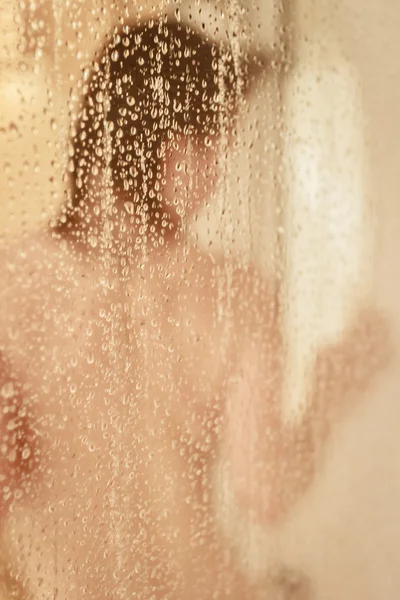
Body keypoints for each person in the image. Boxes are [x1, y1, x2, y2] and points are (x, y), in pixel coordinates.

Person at [0, 17, 391, 600]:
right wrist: (337, 378)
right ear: (170, 148)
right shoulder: (231, 292)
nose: (216, 176)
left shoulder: (12, 287)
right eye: (214, 148)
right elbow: (268, 490)